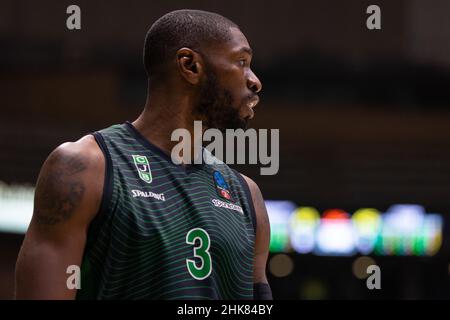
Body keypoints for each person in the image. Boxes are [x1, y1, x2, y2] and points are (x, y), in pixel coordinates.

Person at [15, 9, 272, 300]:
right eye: (242, 62)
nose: (255, 81)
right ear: (190, 65)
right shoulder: (85, 167)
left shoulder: (246, 195)